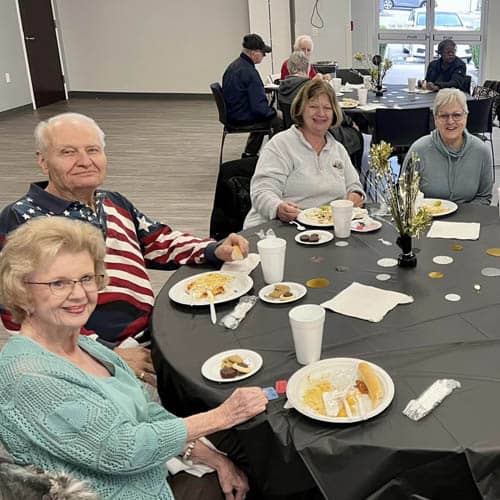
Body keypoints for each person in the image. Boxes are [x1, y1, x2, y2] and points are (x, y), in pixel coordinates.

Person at [0, 216, 268, 500]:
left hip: (154, 468)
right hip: (129, 490)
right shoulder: (27, 376)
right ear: (23, 292)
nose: (79, 294)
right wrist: (224, 415)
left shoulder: (84, 347)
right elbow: (123, 450)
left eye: (86, 278)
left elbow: (146, 411)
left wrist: (214, 458)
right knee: (261, 460)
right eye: (58, 283)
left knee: (259, 441)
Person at [0, 112, 249, 383]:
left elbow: (157, 242)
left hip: (152, 327)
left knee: (237, 344)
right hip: (95, 355)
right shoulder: (22, 220)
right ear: (43, 161)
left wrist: (214, 249)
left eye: (93, 150)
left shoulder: (112, 201)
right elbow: (18, 315)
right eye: (68, 152)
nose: (85, 162)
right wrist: (107, 355)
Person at [244, 79, 365, 229]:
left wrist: (355, 196)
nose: (321, 113)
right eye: (313, 106)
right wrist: (278, 208)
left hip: (326, 229)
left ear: (334, 113)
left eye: (327, 108)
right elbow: (262, 191)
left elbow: (354, 185)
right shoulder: (281, 145)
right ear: (300, 109)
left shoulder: (338, 149)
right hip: (280, 228)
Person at [402, 88, 492, 205]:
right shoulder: (418, 150)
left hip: (468, 220)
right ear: (435, 119)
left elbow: (484, 197)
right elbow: (405, 195)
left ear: (466, 117)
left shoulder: (481, 151)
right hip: (427, 218)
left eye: (457, 115)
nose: (450, 121)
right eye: (444, 116)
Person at [278, 51, 364, 170]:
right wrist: (351, 123)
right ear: (308, 68)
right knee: (356, 134)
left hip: (295, 134)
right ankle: (353, 174)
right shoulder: (311, 88)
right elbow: (335, 112)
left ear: (289, 68)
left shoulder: (282, 88)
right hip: (322, 133)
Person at [222, 33, 282, 158]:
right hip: (241, 117)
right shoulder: (249, 72)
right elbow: (259, 108)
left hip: (233, 114)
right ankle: (276, 158)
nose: (264, 56)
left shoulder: (234, 66)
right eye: (263, 53)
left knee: (266, 115)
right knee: (277, 120)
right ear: (254, 53)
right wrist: (275, 112)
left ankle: (250, 153)